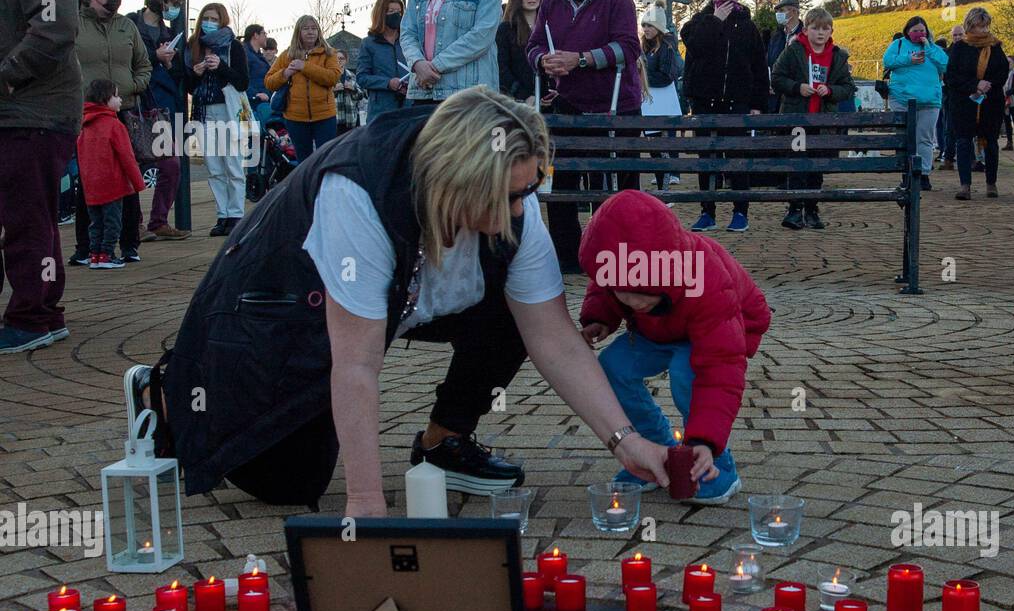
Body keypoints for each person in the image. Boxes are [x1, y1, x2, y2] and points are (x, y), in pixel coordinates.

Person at [152, 86, 669, 516]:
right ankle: (166, 397)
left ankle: (442, 443)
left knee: (516, 312)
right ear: (462, 182)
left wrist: (627, 441)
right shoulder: (356, 192)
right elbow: (356, 364)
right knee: (289, 482)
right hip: (284, 310)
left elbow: (553, 338)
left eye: (527, 189)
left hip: (406, 295)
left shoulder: (517, 204)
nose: (521, 207)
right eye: (509, 195)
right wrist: (365, 501)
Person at [578, 190, 771, 504]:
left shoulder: (705, 277)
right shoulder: (617, 275)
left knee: (688, 371)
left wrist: (704, 441)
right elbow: (603, 288)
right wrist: (600, 316)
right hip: (659, 330)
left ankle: (716, 466)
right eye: (623, 293)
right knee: (613, 365)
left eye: (642, 292)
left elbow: (720, 370)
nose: (633, 302)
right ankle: (653, 450)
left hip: (724, 328)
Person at [525, 0, 642, 270]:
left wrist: (582, 59)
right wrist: (543, 60)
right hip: (570, 103)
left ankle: (622, 253)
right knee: (562, 182)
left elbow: (628, 48)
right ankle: (567, 257)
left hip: (616, 103)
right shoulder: (551, 2)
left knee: (621, 184)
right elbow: (532, 46)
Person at [0, 0, 83, 354]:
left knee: (28, 217)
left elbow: (52, 32)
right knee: (23, 215)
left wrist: (5, 79)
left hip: (34, 113)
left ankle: (35, 316)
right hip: (12, 112)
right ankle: (35, 310)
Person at [679, 0, 767, 233]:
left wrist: (757, 104)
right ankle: (707, 211)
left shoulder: (748, 27)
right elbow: (694, 46)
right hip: (706, 103)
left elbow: (758, 66)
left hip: (737, 102)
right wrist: (714, 20)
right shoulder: (699, 22)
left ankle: (740, 211)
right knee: (706, 160)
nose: (721, 0)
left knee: (738, 158)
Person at [74, 0, 151, 263]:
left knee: (127, 177)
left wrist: (131, 87)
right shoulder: (74, 23)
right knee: (88, 179)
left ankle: (129, 244)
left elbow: (143, 65)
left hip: (122, 110)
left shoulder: (127, 26)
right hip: (85, 115)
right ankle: (87, 248)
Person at [771, 7, 856, 228]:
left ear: (831, 31)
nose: (820, 33)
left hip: (823, 121)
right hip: (797, 118)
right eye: (815, 28)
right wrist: (797, 87)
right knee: (797, 164)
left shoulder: (838, 56)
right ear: (806, 29)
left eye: (825, 28)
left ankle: (811, 209)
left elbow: (848, 87)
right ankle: (794, 209)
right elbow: (777, 78)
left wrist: (830, 91)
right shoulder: (793, 51)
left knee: (816, 167)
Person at [127, 0, 190, 241]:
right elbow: (125, 59)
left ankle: (158, 220)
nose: (175, 8)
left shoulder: (170, 33)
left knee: (171, 163)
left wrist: (173, 63)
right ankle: (135, 224)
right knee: (131, 164)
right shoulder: (129, 23)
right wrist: (156, 57)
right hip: (133, 101)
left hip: (160, 104)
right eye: (173, 3)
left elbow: (177, 74)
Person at [185, 2, 250, 237]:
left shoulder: (233, 46)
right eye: (206, 18)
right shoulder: (194, 46)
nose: (209, 23)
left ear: (222, 20)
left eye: (214, 19)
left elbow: (243, 81)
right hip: (203, 110)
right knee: (213, 166)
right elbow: (190, 87)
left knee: (233, 163)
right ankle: (222, 214)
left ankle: (236, 214)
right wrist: (197, 73)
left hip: (227, 109)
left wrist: (221, 66)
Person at [77, 80, 145, 268]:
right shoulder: (115, 125)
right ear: (105, 99)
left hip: (92, 186)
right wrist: (138, 183)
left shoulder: (85, 125)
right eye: (116, 95)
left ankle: (95, 255)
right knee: (112, 222)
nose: (120, 99)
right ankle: (107, 254)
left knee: (95, 223)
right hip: (113, 184)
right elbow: (127, 157)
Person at [943, 7, 1008, 200]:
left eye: (986, 26)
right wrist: (974, 85)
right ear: (971, 26)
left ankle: (991, 183)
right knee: (963, 142)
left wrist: (989, 85)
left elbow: (1002, 72)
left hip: (990, 102)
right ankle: (965, 185)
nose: (984, 30)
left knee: (991, 143)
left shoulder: (995, 47)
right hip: (964, 102)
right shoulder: (959, 47)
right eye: (980, 26)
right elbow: (951, 76)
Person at [881, 14, 947, 192]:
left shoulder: (933, 48)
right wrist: (908, 59)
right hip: (902, 99)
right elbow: (887, 61)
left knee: (924, 138)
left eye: (922, 30)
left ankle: (923, 174)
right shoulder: (898, 44)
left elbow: (945, 65)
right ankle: (906, 173)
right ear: (908, 31)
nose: (919, 33)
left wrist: (929, 48)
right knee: (906, 138)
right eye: (915, 30)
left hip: (930, 100)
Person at [265, 15, 340, 161]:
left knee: (326, 159)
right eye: (306, 29)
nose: (310, 32)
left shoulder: (329, 53)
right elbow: (269, 82)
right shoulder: (287, 55)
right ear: (298, 32)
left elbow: (332, 77)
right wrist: (285, 73)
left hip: (324, 117)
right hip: (295, 118)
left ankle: (322, 184)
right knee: (303, 161)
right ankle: (306, 184)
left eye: (314, 29)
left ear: (319, 32)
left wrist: (305, 66)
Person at [639, 0, 683, 190]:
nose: (646, 29)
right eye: (644, 25)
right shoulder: (647, 48)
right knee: (655, 148)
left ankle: (665, 188)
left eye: (649, 25)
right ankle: (661, 185)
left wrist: (643, 76)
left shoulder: (667, 46)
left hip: (664, 105)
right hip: (651, 105)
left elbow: (667, 76)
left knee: (663, 148)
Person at [496, 0, 549, 105]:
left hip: (548, 101)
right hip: (517, 102)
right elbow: (502, 68)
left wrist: (550, 94)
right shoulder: (506, 29)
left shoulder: (550, 28)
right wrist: (524, 95)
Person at [356, 0, 408, 122]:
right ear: (381, 14)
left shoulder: (408, 42)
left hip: (408, 108)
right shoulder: (368, 43)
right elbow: (362, 77)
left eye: (399, 12)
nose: (396, 15)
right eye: (391, 11)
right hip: (381, 111)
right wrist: (387, 83)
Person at [766, 0, 803, 113]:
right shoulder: (776, 36)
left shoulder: (805, 35)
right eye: (777, 12)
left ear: (793, 11)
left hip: (795, 96)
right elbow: (769, 61)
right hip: (774, 96)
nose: (778, 14)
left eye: (781, 11)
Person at [937, 23, 966, 170]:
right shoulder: (946, 54)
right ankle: (948, 157)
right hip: (950, 95)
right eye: (955, 35)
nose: (958, 37)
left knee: (968, 129)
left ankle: (971, 159)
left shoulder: (971, 51)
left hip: (967, 95)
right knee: (949, 128)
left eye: (960, 34)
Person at [242, 23, 272, 125]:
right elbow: (241, 79)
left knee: (262, 138)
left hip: (261, 106)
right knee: (251, 138)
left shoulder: (258, 56)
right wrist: (255, 94)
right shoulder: (244, 53)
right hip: (249, 106)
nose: (266, 37)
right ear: (255, 35)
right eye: (264, 33)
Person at [332, 48, 362, 134]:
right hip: (335, 120)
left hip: (351, 119)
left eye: (342, 58)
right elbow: (322, 96)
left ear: (346, 60)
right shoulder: (329, 76)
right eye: (336, 58)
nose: (339, 60)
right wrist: (333, 90)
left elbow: (362, 95)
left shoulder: (352, 76)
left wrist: (353, 88)